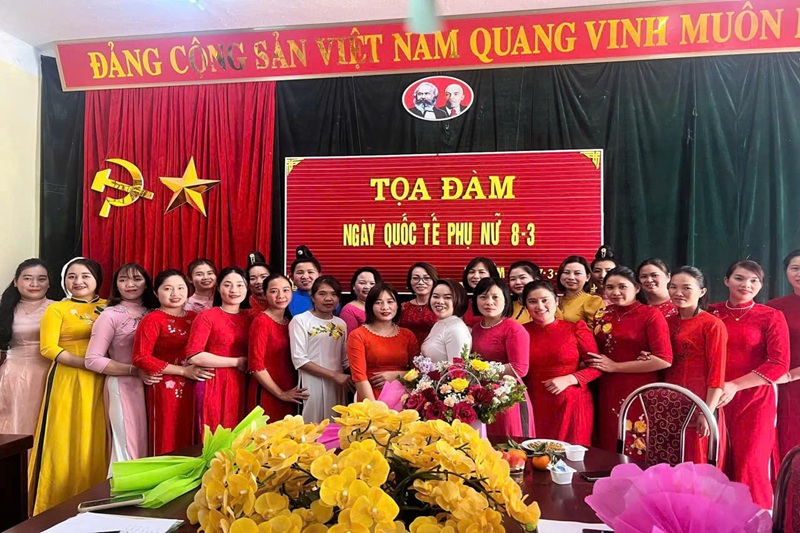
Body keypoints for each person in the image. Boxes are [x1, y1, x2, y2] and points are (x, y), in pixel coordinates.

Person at [29, 258, 107, 514]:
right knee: (65, 438)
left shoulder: (110, 307)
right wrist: (87, 363)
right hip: (69, 377)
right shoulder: (57, 309)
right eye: (71, 276)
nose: (78, 281)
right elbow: (48, 348)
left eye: (85, 275)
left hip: (105, 379)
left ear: (97, 279)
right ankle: (56, 506)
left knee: (97, 437)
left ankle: (98, 498)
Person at [711, 260, 789, 509]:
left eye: (754, 280)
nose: (746, 284)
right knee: (716, 460)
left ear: (761, 285)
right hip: (714, 396)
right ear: (726, 281)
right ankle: (715, 519)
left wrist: (735, 385)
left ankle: (755, 520)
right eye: (739, 278)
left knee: (751, 462)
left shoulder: (770, 316)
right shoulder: (711, 312)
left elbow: (779, 364)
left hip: (755, 398)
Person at [586, 266, 672, 456]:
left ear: (637, 288)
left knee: (636, 441)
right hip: (607, 386)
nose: (616, 292)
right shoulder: (601, 314)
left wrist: (615, 366)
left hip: (638, 387)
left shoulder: (650, 315)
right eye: (610, 287)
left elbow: (664, 359)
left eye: (622, 287)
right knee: (609, 436)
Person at [84, 263, 158, 465]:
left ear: (146, 283)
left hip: (156, 386)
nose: (129, 284)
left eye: (136, 279)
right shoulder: (110, 315)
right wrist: (134, 371)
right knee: (128, 446)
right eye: (123, 280)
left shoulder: (156, 312)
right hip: (125, 385)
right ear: (116, 285)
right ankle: (123, 486)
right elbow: (93, 359)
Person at [133, 270, 213, 456]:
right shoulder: (152, 319)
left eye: (180, 288)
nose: (175, 293)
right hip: (165, 386)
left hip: (196, 383)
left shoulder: (196, 317)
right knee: (168, 434)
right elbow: (141, 357)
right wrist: (183, 371)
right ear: (156, 292)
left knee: (194, 433)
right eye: (168, 288)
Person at [660, 266, 727, 464]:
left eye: (686, 288)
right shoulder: (666, 322)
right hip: (669, 401)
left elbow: (717, 373)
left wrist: (707, 412)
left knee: (695, 462)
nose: (678, 292)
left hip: (698, 402)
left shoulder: (712, 324)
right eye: (673, 287)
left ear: (702, 291)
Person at [523, 280, 599, 446]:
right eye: (532, 301)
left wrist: (571, 379)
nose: (540, 306)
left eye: (545, 300)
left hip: (572, 404)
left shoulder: (576, 328)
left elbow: (597, 366)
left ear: (556, 301)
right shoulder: (520, 332)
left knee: (572, 455)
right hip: (535, 404)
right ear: (525, 306)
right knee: (536, 453)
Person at [186, 267, 252, 432]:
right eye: (227, 285)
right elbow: (194, 355)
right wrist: (237, 361)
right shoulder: (207, 316)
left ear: (247, 289)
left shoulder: (252, 318)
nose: (234, 290)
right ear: (218, 288)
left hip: (244, 383)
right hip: (214, 382)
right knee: (214, 433)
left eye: (240, 285)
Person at [470, 277, 534, 438]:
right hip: (481, 396)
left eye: (495, 297)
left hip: (506, 396)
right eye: (483, 297)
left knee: (506, 444)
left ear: (505, 300)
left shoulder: (513, 328)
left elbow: (519, 368)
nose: (489, 302)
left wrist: (479, 370)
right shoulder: (476, 328)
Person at [0, 259, 53, 437]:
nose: (34, 284)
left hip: (49, 373)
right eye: (28, 278)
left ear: (49, 283)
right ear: (16, 281)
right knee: (13, 424)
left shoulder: (58, 308)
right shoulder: (5, 309)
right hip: (13, 375)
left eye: (41, 279)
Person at [290, 275, 352, 423]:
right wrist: (334, 375)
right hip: (311, 383)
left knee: (336, 426)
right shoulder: (300, 320)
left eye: (333, 294)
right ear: (312, 297)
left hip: (338, 384)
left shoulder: (341, 323)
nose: (328, 299)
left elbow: (344, 359)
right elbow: (299, 359)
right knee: (312, 427)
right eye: (322, 294)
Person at [248, 273, 308, 420]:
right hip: (268, 391)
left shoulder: (291, 321)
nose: (281, 295)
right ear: (265, 294)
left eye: (286, 290)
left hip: (291, 389)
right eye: (274, 291)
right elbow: (255, 366)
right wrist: (281, 393)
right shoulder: (262, 322)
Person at [348, 283, 419, 401]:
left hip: (405, 398)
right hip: (372, 397)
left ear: (397, 305)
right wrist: (373, 407)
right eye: (378, 302)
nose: (385, 307)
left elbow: (419, 372)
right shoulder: (358, 335)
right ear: (370, 306)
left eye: (390, 302)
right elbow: (359, 377)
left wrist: (396, 376)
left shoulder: (407, 335)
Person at [768, 249, 800, 459]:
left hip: (790, 377)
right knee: (788, 440)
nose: (799, 273)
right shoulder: (774, 308)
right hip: (784, 386)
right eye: (795, 268)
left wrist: (792, 375)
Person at [421, 279, 472, 364]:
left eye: (447, 297)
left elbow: (457, 368)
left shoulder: (457, 329)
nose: (440, 301)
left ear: (459, 300)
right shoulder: (440, 323)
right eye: (436, 296)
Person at [555, 256, 605, 328]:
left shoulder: (593, 301)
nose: (571, 277)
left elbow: (595, 331)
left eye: (577, 273)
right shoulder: (554, 300)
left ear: (587, 277)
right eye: (566, 272)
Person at [398, 262, 439, 346]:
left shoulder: (440, 306)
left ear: (434, 281)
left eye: (426, 278)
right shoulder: (402, 307)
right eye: (415, 278)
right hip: (406, 350)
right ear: (410, 281)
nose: (421, 282)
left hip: (434, 351)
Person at [462, 257, 500, 328]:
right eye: (471, 272)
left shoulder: (500, 300)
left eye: (481, 272)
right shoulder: (464, 302)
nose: (475, 276)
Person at [340, 267, 381, 333]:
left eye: (372, 283)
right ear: (353, 286)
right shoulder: (349, 311)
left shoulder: (384, 306)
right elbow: (350, 337)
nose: (367, 287)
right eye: (362, 283)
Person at [287, 245, 322, 317]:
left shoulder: (329, 298)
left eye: (310, 272)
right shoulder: (286, 299)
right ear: (292, 277)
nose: (305, 276)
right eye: (299, 273)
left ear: (319, 275)